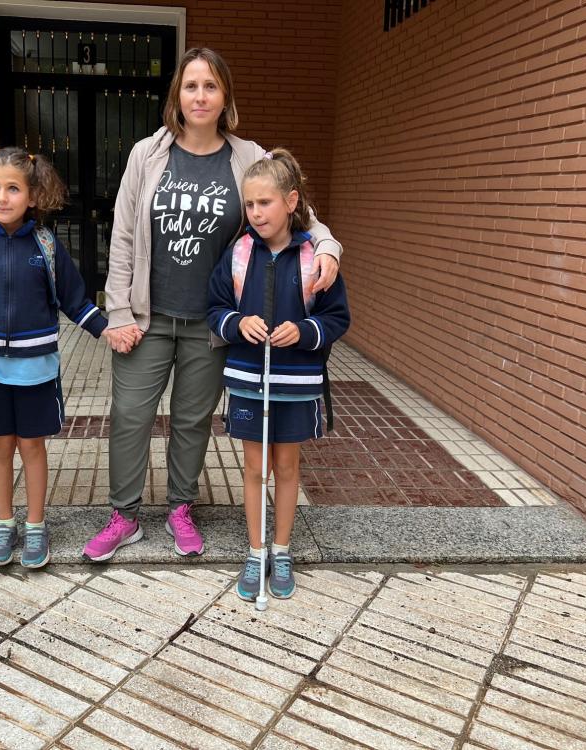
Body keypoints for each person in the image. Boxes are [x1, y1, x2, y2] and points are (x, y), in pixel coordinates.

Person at [83, 48, 343, 563]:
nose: (199, 96)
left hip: (212, 321)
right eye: (190, 86)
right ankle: (125, 516)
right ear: (176, 95)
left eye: (210, 86)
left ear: (225, 96)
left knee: (191, 418)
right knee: (130, 414)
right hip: (147, 318)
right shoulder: (146, 154)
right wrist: (116, 314)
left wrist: (329, 248)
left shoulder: (247, 156)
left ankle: (181, 508)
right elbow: (122, 237)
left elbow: (302, 213)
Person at [0, 144, 119, 568]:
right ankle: (5, 523)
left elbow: (75, 300)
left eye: (13, 189)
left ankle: (36, 525)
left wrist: (109, 330)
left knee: (32, 447)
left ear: (34, 196)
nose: (2, 197)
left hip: (36, 369)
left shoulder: (46, 247)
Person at [207, 148, 350, 599]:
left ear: (290, 201)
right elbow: (214, 308)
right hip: (249, 379)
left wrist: (307, 331)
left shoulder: (315, 259)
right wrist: (237, 323)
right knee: (254, 468)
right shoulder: (238, 255)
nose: (255, 213)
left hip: (295, 384)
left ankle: (281, 550)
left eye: (264, 203)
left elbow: (337, 317)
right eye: (249, 204)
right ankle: (254, 551)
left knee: (287, 467)